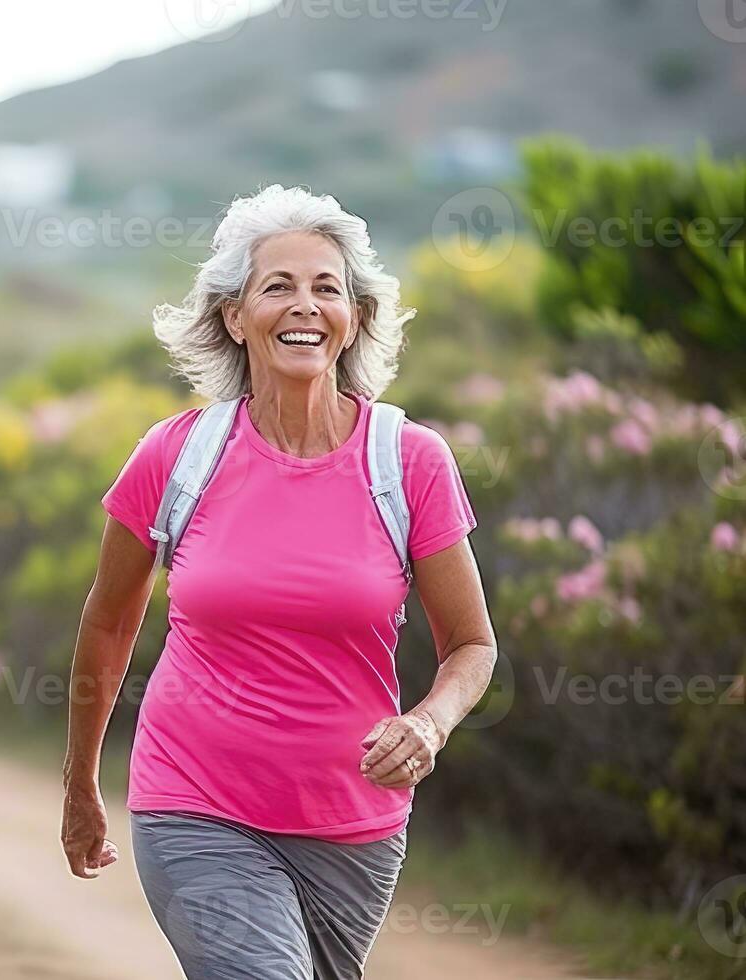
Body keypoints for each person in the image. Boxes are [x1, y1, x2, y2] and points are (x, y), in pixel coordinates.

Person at [59, 184, 498, 979]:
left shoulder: (409, 461)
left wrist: (430, 723)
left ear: (355, 317)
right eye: (278, 286)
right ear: (236, 316)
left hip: (354, 826)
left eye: (327, 287)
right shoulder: (175, 455)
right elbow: (109, 623)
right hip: (193, 801)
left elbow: (471, 645)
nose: (305, 305)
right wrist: (80, 780)